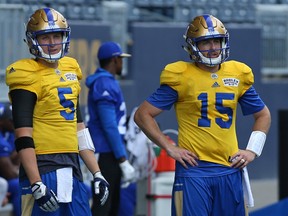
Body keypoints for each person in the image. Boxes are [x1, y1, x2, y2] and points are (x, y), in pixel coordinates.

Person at [134, 14, 271, 216]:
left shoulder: (237, 73)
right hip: (194, 172)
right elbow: (143, 115)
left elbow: (263, 115)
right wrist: (170, 148)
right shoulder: (181, 75)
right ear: (192, 46)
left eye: (217, 41)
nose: (213, 47)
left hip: (230, 169)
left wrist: (252, 150)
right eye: (206, 42)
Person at [5, 8, 109, 216]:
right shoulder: (26, 74)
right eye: (45, 37)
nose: (52, 42)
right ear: (33, 41)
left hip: (72, 167)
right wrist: (36, 183)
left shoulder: (70, 68)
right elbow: (23, 136)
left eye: (56, 35)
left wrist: (97, 173)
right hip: (43, 168)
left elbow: (79, 128)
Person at [85, 41, 136, 216]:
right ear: (114, 60)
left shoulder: (106, 82)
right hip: (105, 151)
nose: (122, 63)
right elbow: (109, 125)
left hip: (109, 152)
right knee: (103, 206)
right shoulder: (104, 84)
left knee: (112, 205)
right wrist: (122, 159)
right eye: (120, 59)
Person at [0, 102, 20, 216]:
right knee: (19, 184)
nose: (15, 123)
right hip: (4, 180)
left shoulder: (10, 133)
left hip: (4, 179)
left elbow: (19, 161)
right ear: (1, 121)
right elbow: (11, 173)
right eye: (11, 120)